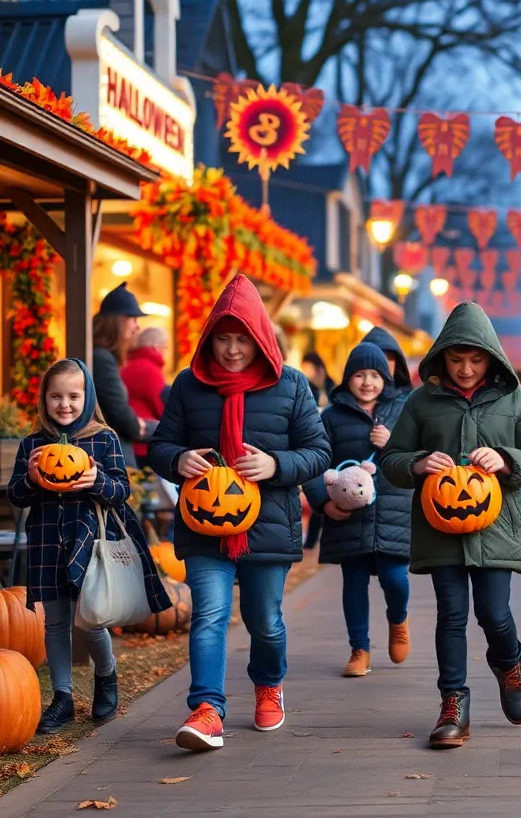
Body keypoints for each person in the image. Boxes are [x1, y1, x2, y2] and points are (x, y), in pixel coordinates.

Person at [149, 275, 331, 751]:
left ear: (260, 338)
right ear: (210, 337)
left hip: (267, 525)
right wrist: (176, 459)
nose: (232, 350)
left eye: (242, 339)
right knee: (209, 613)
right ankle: (207, 708)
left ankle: (269, 684)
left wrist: (276, 464)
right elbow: (161, 444)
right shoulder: (188, 385)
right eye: (224, 339)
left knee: (265, 620)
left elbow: (318, 451)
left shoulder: (291, 386)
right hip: (205, 522)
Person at [380, 302, 521, 750]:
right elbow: (391, 461)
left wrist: (507, 459)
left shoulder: (517, 400)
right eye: (456, 359)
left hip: (496, 526)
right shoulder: (422, 401)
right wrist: (417, 464)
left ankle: (510, 665)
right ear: (442, 358)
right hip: (440, 526)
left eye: (475, 360)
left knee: (494, 613)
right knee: (451, 615)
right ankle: (452, 705)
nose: (465, 369)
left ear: (491, 358)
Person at [7, 358, 170, 735]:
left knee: (91, 618)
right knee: (56, 622)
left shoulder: (104, 438)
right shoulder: (33, 443)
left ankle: (106, 674)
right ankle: (62, 697)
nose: (65, 404)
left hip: (89, 542)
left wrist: (98, 480)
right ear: (44, 400)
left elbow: (122, 491)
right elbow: (15, 495)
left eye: (73, 396)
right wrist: (31, 478)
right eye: (56, 397)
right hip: (47, 540)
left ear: (87, 397)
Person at [303, 342, 412, 678]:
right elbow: (314, 460)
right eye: (359, 375)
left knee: (396, 579)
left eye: (375, 375)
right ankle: (359, 649)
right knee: (353, 583)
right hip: (348, 515)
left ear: (386, 378)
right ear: (347, 379)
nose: (367, 382)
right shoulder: (331, 416)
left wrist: (392, 442)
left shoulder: (403, 410)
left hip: (394, 512)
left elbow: (420, 455)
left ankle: (398, 620)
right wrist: (323, 501)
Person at [92, 282, 148, 467]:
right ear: (120, 320)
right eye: (134, 319)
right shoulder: (101, 359)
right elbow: (119, 412)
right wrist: (137, 426)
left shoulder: (102, 356)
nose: (136, 327)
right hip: (111, 457)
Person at [121, 326, 170, 469]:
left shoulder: (127, 364)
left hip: (129, 441)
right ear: (156, 346)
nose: (165, 352)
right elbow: (163, 408)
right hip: (144, 444)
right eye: (165, 347)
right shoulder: (150, 370)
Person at [362, 326, 415, 396]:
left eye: (390, 357)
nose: (385, 361)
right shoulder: (346, 401)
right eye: (379, 355)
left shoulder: (408, 403)